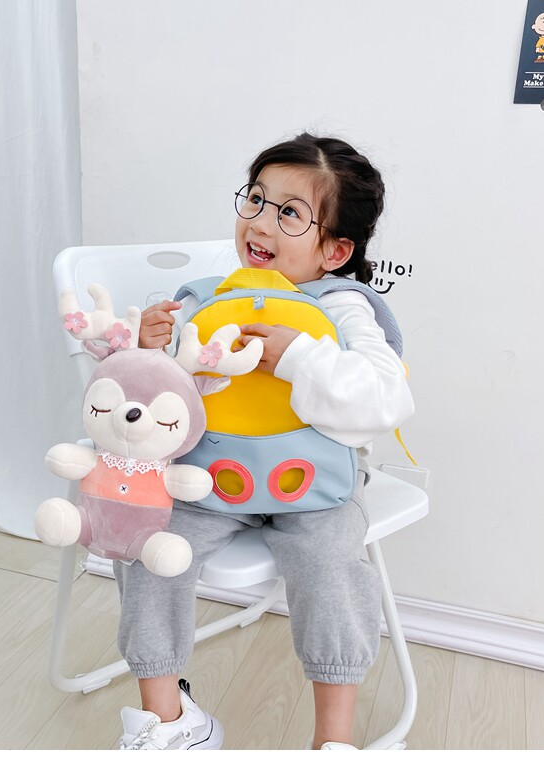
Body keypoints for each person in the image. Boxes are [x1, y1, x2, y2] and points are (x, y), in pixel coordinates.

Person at [115, 132, 415, 750]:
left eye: (289, 213)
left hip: (315, 487)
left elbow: (386, 399)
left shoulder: (342, 305)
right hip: (210, 477)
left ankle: (333, 741)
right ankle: (169, 721)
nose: (259, 221)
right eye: (255, 199)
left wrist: (298, 356)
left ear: (335, 250)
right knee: (150, 545)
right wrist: (149, 351)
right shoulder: (207, 297)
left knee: (332, 567)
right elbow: (159, 403)